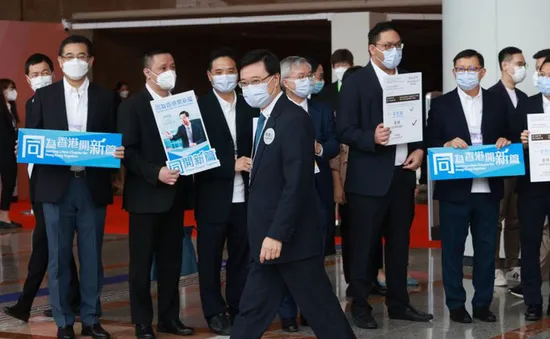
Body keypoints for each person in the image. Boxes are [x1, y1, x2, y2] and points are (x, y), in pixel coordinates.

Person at [230, 49, 356, 339]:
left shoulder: (293, 118)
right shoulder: (265, 118)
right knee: (253, 310)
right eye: (244, 83)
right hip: (268, 239)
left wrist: (277, 233)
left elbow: (297, 181)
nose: (249, 88)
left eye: (255, 80)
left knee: (322, 310)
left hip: (290, 240)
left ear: (275, 80)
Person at [26, 35, 124, 339]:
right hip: (56, 188)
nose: (75, 61)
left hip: (91, 185)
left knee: (92, 257)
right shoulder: (42, 97)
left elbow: (115, 138)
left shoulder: (107, 98)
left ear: (91, 61)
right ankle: (64, 321)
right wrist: (27, 145)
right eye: (69, 56)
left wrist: (118, 153)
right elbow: (34, 142)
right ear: (60, 61)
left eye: (81, 55)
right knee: (58, 258)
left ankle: (92, 319)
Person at [336, 21, 432, 329]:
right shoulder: (356, 82)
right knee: (363, 246)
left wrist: (420, 150)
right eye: (388, 46)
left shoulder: (408, 80)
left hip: (403, 176)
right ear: (372, 49)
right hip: (368, 180)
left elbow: (419, 126)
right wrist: (370, 137)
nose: (394, 51)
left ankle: (399, 304)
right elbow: (344, 130)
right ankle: (360, 305)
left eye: (398, 45)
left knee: (399, 245)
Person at [426, 49, 512, 324]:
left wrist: (505, 140)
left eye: (471, 69)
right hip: (455, 190)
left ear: (483, 72)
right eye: (460, 69)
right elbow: (429, 141)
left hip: (489, 188)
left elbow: (511, 133)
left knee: (486, 249)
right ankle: (455, 304)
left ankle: (483, 303)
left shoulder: (498, 102)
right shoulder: (441, 105)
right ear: (454, 72)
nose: (466, 73)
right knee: (452, 249)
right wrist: (446, 144)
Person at [118, 49, 194, 339]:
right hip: (145, 197)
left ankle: (169, 318)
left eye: (172, 65)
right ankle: (141, 321)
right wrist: (155, 172)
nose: (169, 71)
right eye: (163, 66)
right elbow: (129, 152)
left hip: (175, 196)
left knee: (171, 262)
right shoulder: (133, 106)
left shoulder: (181, 104)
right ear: (148, 73)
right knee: (140, 265)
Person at [3, 53, 81, 322]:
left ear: (54, 72)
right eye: (35, 74)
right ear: (27, 79)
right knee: (52, 242)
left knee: (43, 244)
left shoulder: (64, 104)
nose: (41, 77)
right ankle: (74, 299)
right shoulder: (32, 101)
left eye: (45, 71)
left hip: (55, 185)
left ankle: (25, 303)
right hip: (39, 183)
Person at [195, 47, 257, 335]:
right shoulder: (198, 109)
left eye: (230, 71)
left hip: (246, 196)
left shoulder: (250, 106)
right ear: (209, 76)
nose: (225, 76)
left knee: (241, 255)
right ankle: (214, 310)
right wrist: (229, 166)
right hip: (212, 196)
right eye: (219, 72)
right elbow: (192, 156)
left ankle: (237, 304)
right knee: (209, 258)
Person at [276, 56, 340, 332]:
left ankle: (312, 310)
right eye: (301, 76)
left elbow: (335, 143)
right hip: (286, 192)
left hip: (318, 189)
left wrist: (319, 149)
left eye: (309, 75)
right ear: (285, 81)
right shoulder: (275, 111)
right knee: (288, 251)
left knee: (315, 252)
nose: (308, 81)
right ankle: (288, 312)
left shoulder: (322, 110)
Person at [331, 65, 387, 298]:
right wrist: (338, 186)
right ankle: (356, 283)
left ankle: (371, 278)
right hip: (349, 182)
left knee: (372, 237)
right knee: (354, 237)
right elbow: (335, 156)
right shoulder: (342, 118)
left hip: (371, 181)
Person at [510, 48, 550, 299]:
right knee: (530, 243)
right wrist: (521, 141)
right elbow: (510, 140)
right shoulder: (527, 104)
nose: (544, 77)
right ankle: (532, 299)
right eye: (541, 73)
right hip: (532, 187)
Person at [488, 47, 528, 287]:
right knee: (497, 218)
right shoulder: (491, 96)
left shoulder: (523, 98)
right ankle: (493, 267)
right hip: (499, 165)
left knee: (516, 218)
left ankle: (513, 264)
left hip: (521, 164)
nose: (522, 68)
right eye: (519, 63)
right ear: (505, 65)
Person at [0, 78, 20, 229]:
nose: (13, 92)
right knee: (7, 183)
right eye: (9, 88)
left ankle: (4, 216)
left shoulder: (11, 108)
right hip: (3, 152)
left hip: (11, 152)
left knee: (10, 184)